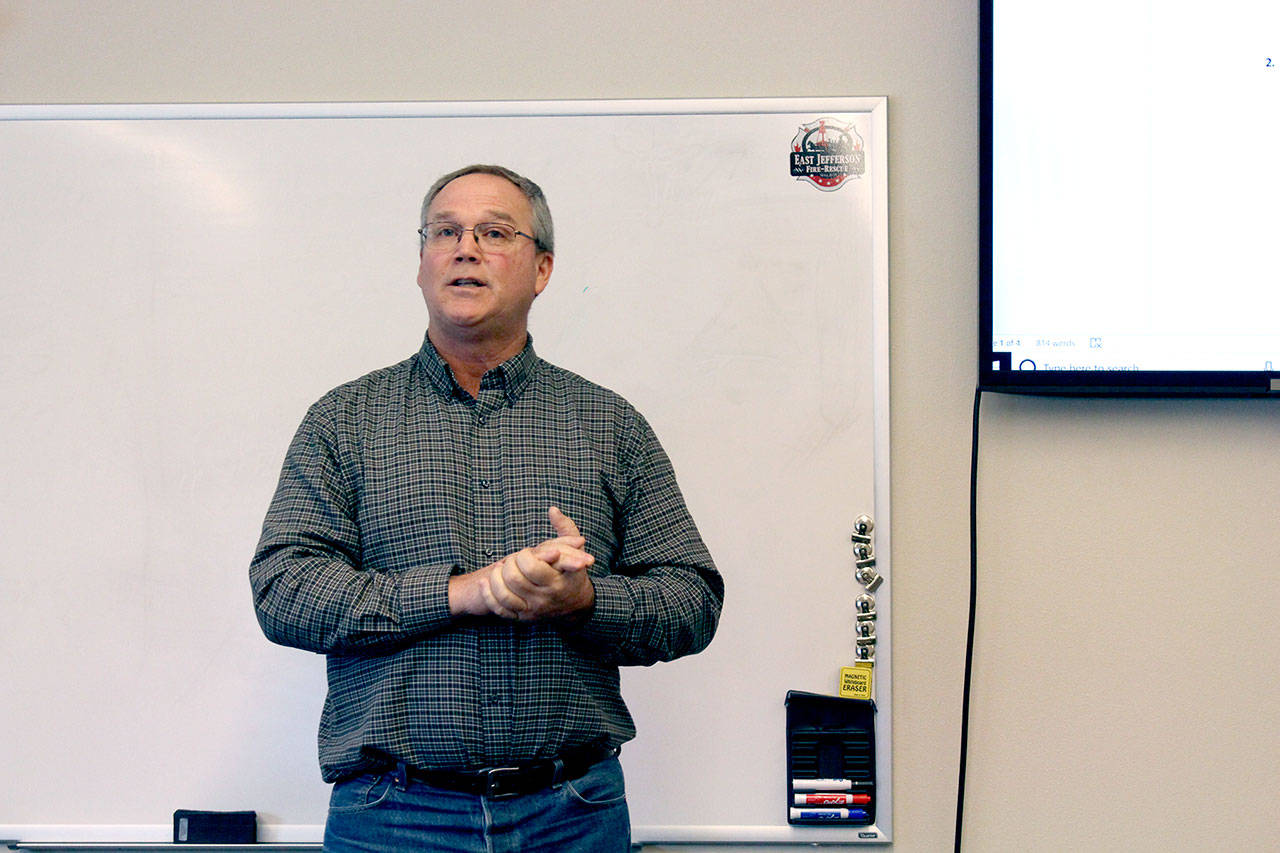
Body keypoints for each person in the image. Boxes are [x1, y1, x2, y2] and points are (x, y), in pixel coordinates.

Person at [250, 164, 724, 852]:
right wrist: (460, 593)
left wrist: (584, 600)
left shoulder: (610, 424)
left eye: (494, 233)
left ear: (542, 269)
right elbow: (283, 591)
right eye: (445, 232)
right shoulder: (343, 421)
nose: (465, 249)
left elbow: (692, 600)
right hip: (392, 816)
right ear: (421, 264)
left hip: (573, 813)